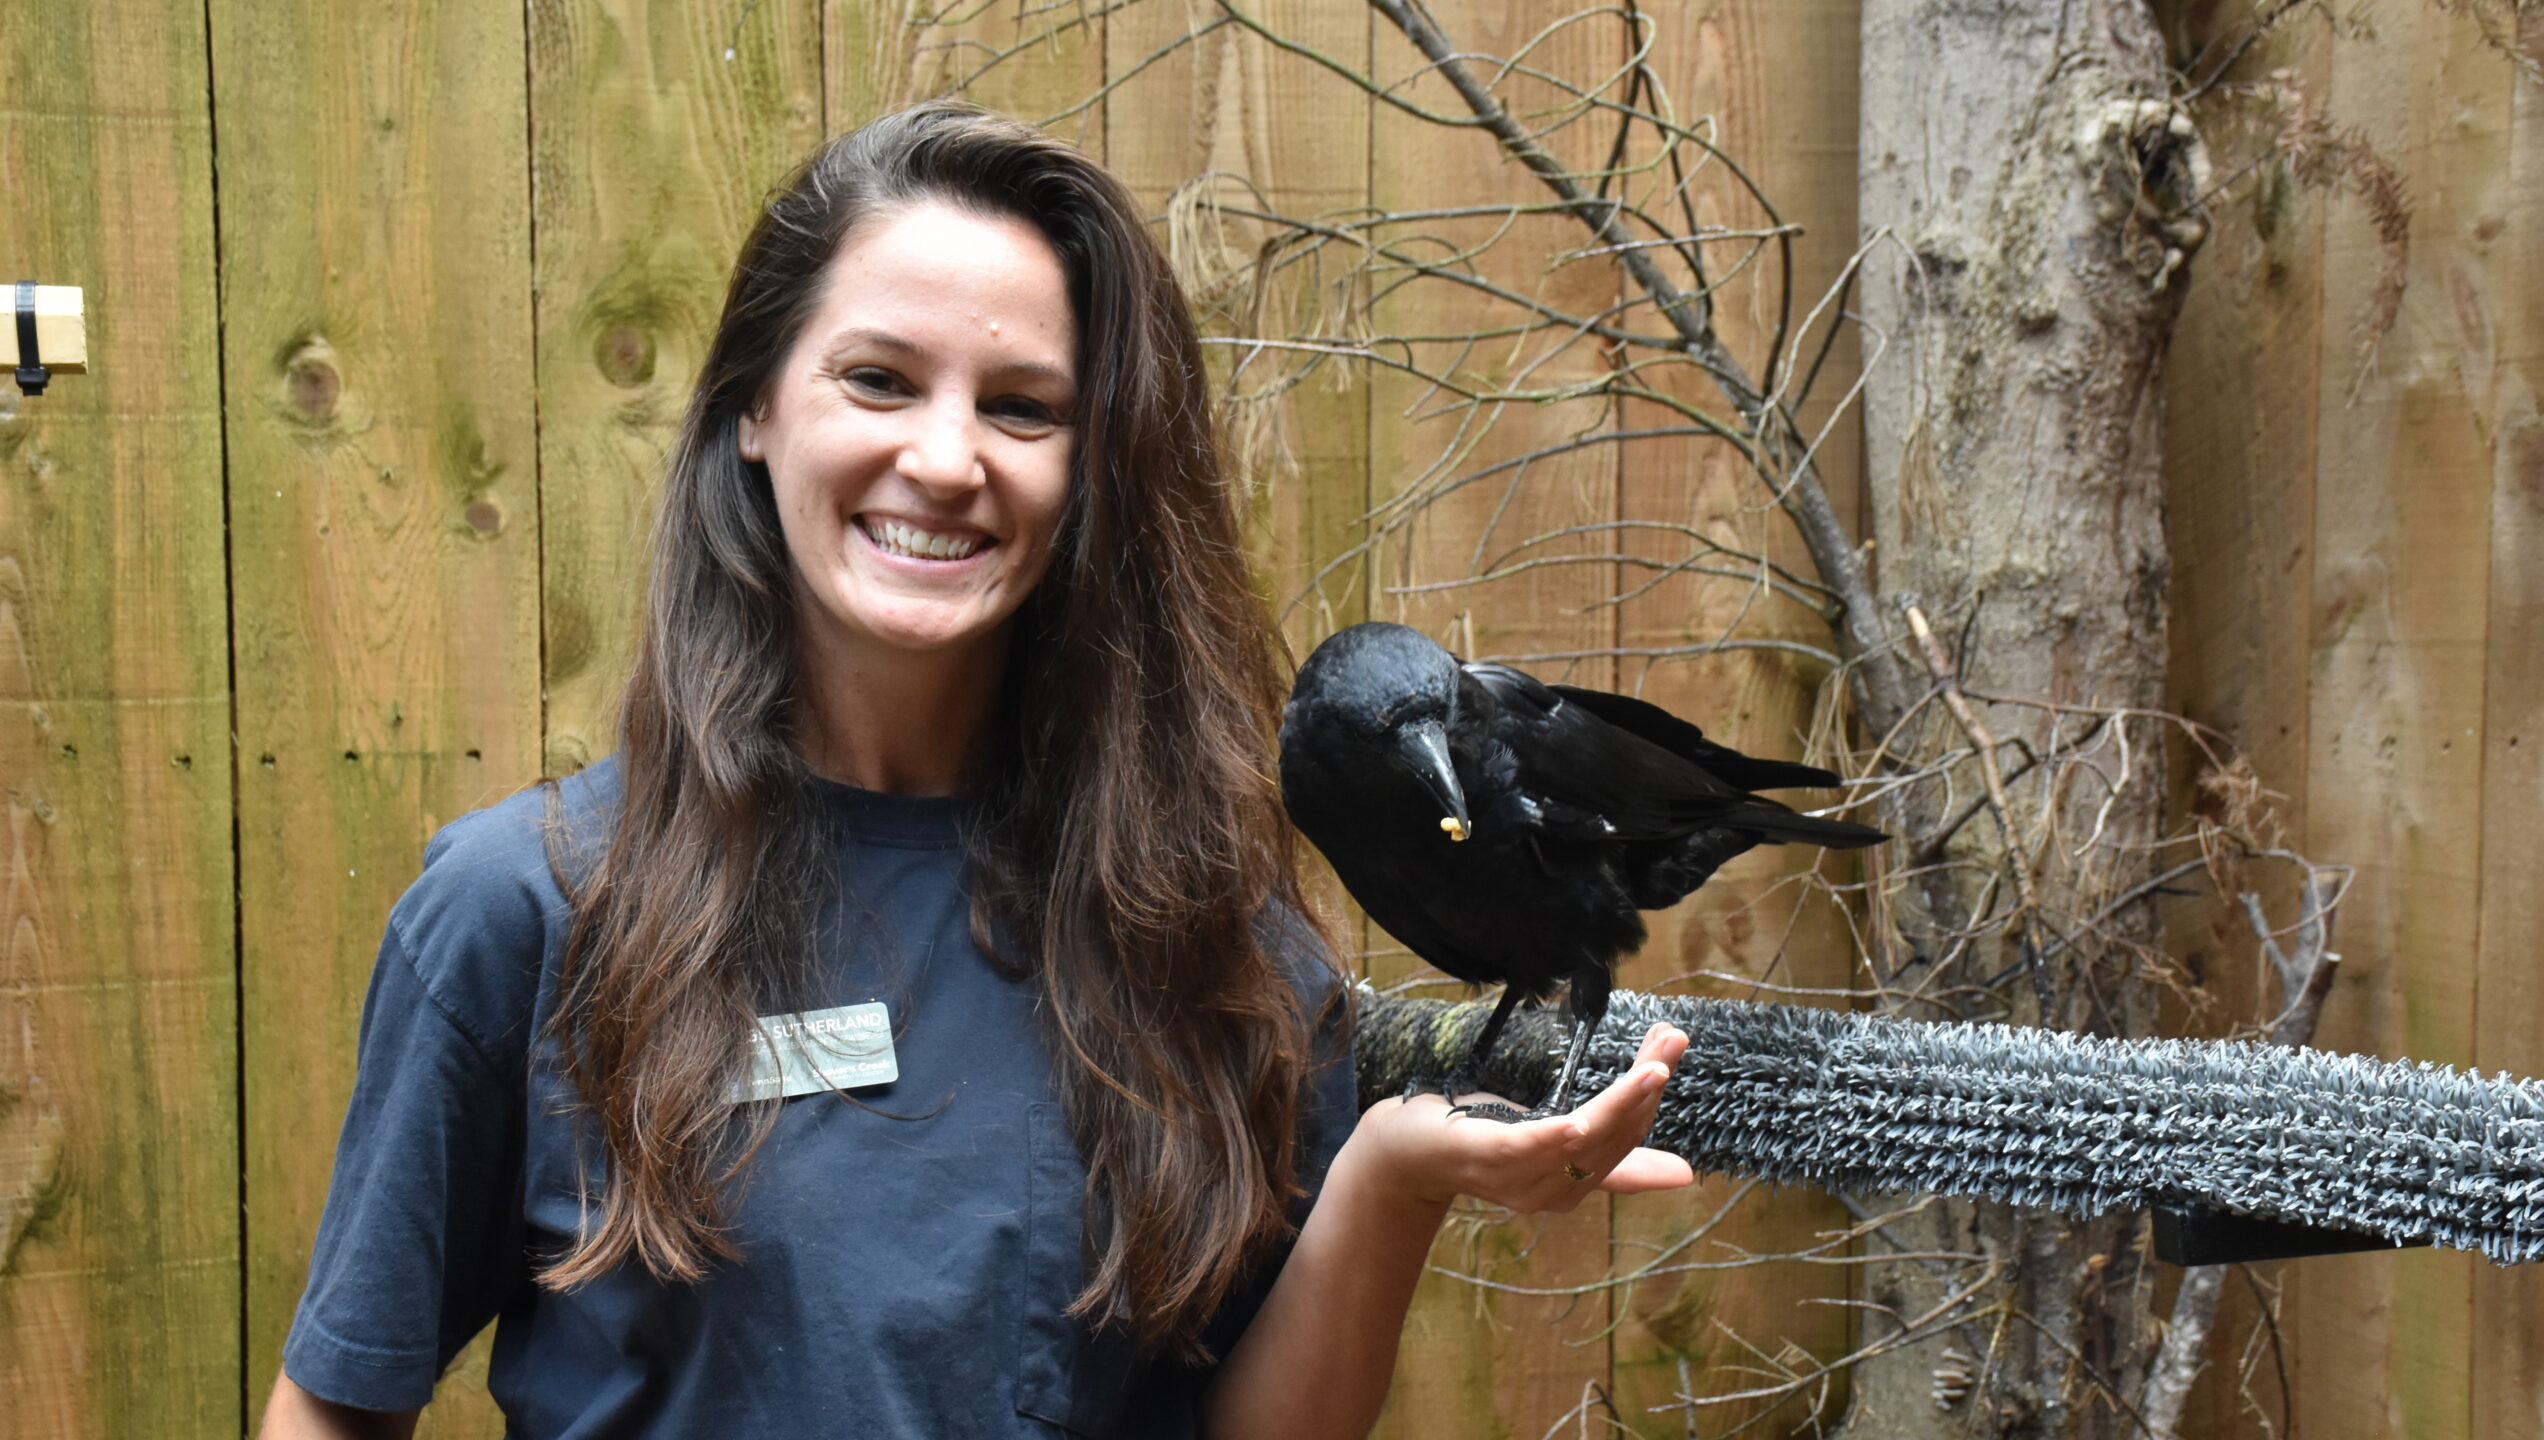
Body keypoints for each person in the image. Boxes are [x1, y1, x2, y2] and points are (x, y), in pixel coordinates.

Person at [259, 102, 1694, 1440]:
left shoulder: (1210, 935)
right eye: (878, 379)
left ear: (1094, 471)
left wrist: (1390, 1179)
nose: (945, 460)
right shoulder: (525, 911)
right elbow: (334, 1406)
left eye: (1022, 408)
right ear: (756, 410)